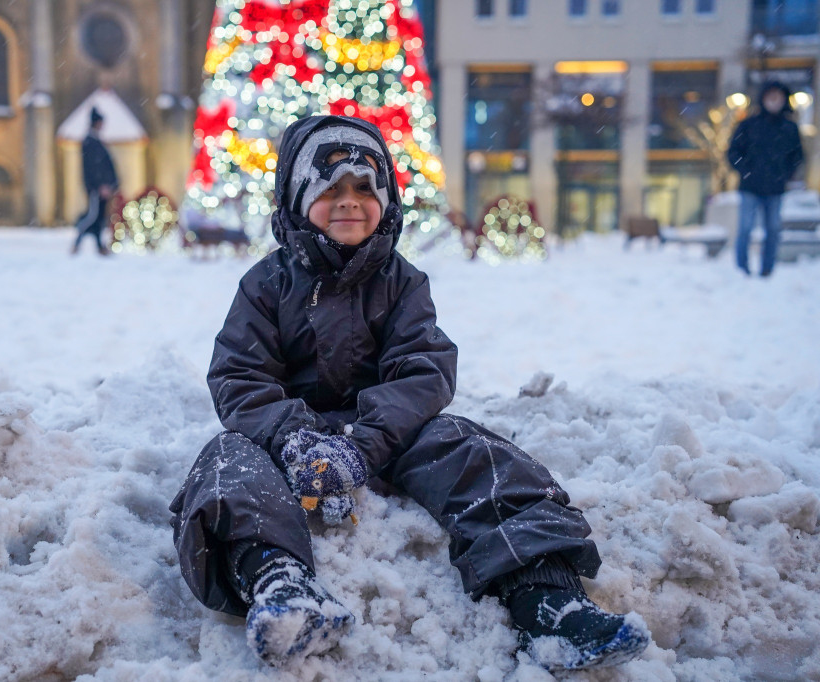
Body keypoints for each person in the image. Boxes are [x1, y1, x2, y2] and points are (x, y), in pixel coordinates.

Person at [169, 115, 651, 670]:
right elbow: (240, 377)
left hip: (389, 435)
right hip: (285, 444)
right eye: (330, 189)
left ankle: (546, 597)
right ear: (297, 199)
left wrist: (364, 443)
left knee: (472, 451)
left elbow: (424, 369)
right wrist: (293, 438)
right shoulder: (265, 284)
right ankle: (278, 582)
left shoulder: (402, 281)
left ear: (387, 200)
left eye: (364, 189)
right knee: (226, 463)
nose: (349, 202)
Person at [727, 81, 804, 277]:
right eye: (770, 96)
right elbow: (733, 152)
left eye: (777, 97)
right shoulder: (749, 124)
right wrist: (746, 171)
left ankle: (767, 268)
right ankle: (741, 268)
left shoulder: (789, 127)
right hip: (750, 187)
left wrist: (785, 174)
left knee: (773, 230)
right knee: (745, 229)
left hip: (775, 188)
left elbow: (797, 156)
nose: (773, 101)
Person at [71, 107, 118, 256]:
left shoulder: (95, 141)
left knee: (99, 218)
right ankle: (77, 243)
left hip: (101, 188)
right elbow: (94, 168)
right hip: (97, 189)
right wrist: (100, 186)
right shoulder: (90, 143)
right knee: (92, 216)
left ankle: (99, 247)